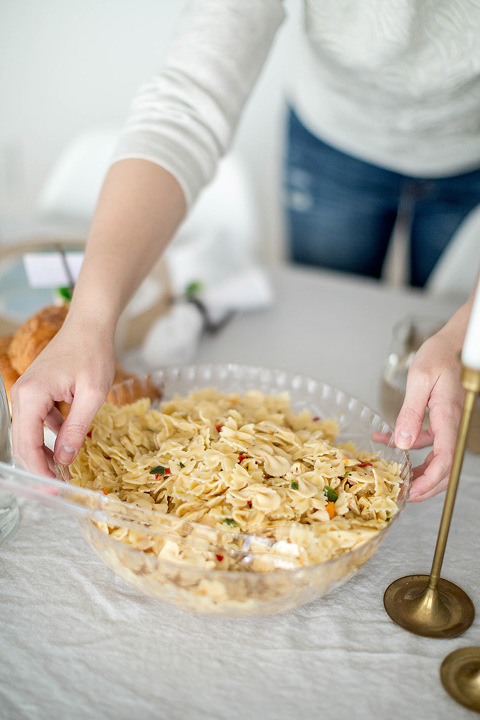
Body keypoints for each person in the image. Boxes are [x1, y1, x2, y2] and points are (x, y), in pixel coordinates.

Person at [10, 1, 480, 502]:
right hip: (335, 133)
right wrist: (88, 321)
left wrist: (464, 331)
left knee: (442, 376)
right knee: (328, 325)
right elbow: (183, 108)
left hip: (470, 142)